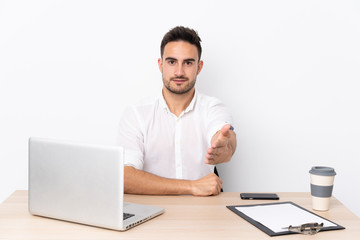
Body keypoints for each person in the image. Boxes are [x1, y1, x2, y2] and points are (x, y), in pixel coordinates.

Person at [118, 26, 236, 196]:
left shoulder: (213, 108)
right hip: (152, 214)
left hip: (205, 214)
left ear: (199, 67)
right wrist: (191, 186)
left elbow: (224, 135)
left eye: (188, 63)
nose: (179, 72)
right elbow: (125, 178)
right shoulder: (136, 114)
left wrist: (227, 147)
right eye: (172, 62)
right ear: (161, 65)